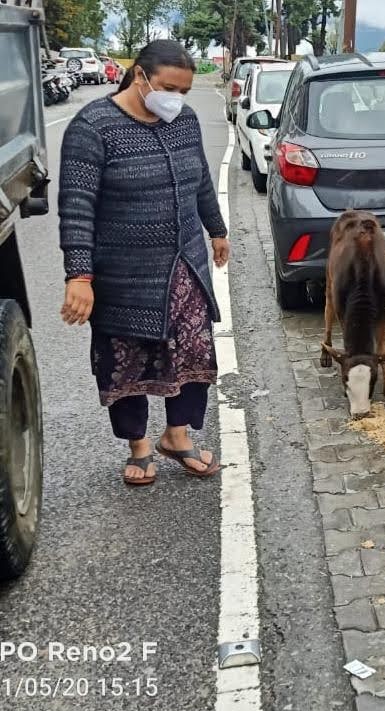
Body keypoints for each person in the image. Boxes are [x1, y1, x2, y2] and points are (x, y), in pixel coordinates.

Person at [58, 40, 230, 486]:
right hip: (123, 274)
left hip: (183, 264)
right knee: (129, 360)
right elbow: (77, 208)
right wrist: (79, 275)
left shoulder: (184, 121)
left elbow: (200, 180)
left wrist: (216, 230)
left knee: (190, 351)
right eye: (170, 87)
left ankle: (177, 436)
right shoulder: (92, 127)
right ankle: (138, 447)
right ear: (140, 76)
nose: (177, 98)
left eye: (185, 91)